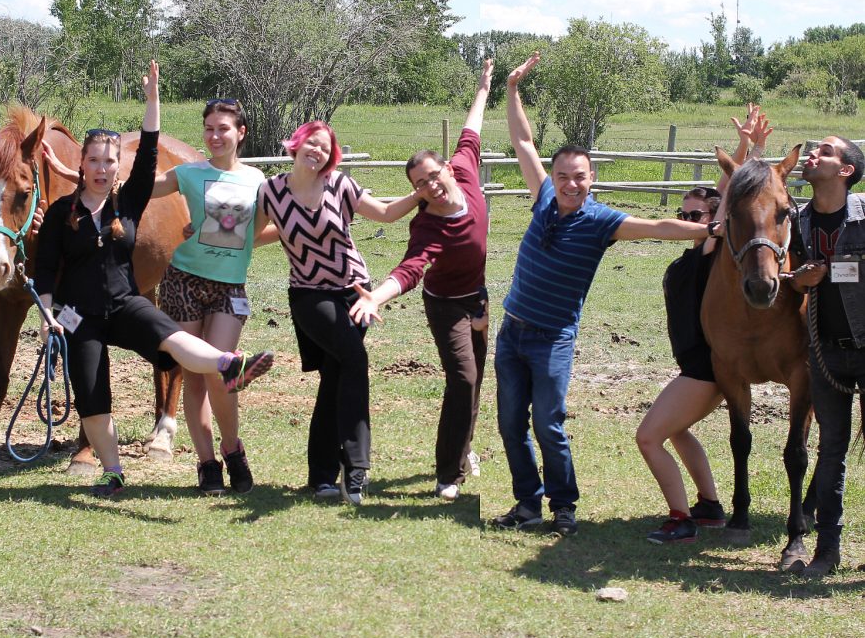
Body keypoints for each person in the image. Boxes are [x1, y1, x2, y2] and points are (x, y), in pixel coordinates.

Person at [491, 51, 723, 535]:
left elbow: (660, 226)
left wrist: (710, 231)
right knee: (511, 424)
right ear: (554, 179)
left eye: (579, 176)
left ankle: (564, 508)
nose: (570, 184)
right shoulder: (544, 197)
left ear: (592, 178)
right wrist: (512, 90)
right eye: (563, 176)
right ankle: (527, 505)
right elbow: (523, 141)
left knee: (548, 425)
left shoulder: (603, 221)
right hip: (512, 333)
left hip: (552, 337)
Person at [34, 61, 274, 498]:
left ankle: (228, 364)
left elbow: (146, 152)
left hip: (125, 303)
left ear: (116, 167)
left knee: (169, 337)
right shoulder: (58, 214)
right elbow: (45, 268)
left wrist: (152, 101)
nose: (102, 168)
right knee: (91, 392)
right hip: (76, 315)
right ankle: (112, 470)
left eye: (109, 161)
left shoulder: (127, 203)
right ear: (82, 164)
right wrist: (48, 313)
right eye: (94, 161)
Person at [255, 120, 427, 504]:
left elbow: (383, 213)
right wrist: (207, 230)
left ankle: (321, 477)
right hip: (309, 296)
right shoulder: (271, 192)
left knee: (335, 378)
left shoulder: (340, 184)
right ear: (296, 144)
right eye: (311, 144)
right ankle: (357, 467)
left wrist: (421, 192)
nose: (316, 151)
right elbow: (251, 236)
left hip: (355, 292)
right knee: (353, 360)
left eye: (325, 148)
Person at [348, 59, 494, 501]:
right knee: (463, 379)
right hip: (446, 303)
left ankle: (464, 446)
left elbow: (471, 131)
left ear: (447, 169)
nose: (431, 186)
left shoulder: (466, 172)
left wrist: (484, 87)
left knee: (477, 378)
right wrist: (376, 297)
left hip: (479, 298)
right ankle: (447, 474)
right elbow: (409, 270)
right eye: (420, 184)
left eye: (434, 175)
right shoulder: (428, 226)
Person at [635, 104, 773, 544]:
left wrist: (745, 148)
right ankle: (710, 506)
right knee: (674, 432)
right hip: (694, 365)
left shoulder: (711, 246)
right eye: (684, 213)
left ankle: (682, 519)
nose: (688, 220)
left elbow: (730, 190)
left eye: (697, 216)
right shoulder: (693, 255)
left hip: (706, 371)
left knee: (648, 437)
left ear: (716, 221)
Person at [152, 98, 276, 495]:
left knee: (222, 374)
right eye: (209, 128)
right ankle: (207, 464)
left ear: (240, 133)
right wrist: (77, 171)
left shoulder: (259, 181)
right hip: (183, 282)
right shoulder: (187, 173)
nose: (215, 136)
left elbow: (255, 234)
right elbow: (138, 190)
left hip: (229, 288)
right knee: (194, 377)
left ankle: (232, 449)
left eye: (223, 128)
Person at [789, 134, 865, 577]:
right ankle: (826, 553)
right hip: (826, 352)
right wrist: (801, 280)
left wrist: (830, 270)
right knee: (831, 450)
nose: (813, 154)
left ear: (845, 171)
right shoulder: (798, 221)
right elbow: (796, 281)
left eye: (826, 152)